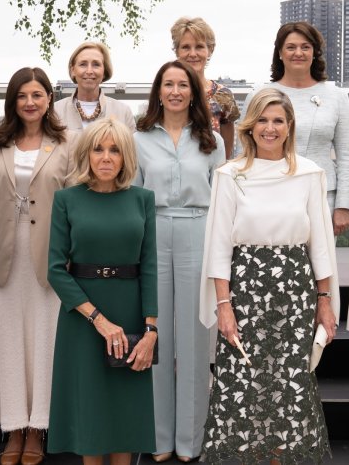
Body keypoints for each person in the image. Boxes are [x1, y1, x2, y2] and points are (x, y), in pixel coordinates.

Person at [198, 88, 339, 465]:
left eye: (278, 120)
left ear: (290, 126)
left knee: (289, 386)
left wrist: (324, 302)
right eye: (262, 119)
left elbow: (320, 245)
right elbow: (218, 248)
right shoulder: (229, 175)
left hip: (295, 291)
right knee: (243, 386)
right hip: (244, 291)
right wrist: (223, 306)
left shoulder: (310, 173)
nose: (270, 128)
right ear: (250, 125)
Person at [0, 67, 72, 465]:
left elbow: (75, 204)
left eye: (38, 95)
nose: (30, 102)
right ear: (13, 101)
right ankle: (11, 429)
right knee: (8, 343)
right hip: (2, 255)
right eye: (23, 95)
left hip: (51, 258)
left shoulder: (67, 142)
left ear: (49, 99)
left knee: (43, 342)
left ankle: (37, 430)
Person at [47, 118, 159, 464]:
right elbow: (55, 270)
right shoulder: (67, 200)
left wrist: (150, 330)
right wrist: (98, 320)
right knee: (90, 417)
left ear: (126, 157)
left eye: (114, 150)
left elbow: (150, 267)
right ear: (87, 154)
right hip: (83, 320)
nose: (106, 157)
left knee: (124, 416)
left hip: (130, 316)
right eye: (98, 149)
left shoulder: (143, 199)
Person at [133, 61, 226, 463]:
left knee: (192, 339)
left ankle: (190, 440)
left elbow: (223, 200)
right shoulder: (137, 136)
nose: (175, 91)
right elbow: (132, 194)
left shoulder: (212, 140)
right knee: (155, 336)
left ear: (194, 92)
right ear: (158, 91)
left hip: (197, 231)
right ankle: (158, 438)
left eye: (182, 85)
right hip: (151, 231)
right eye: (168, 84)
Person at [262, 21, 349, 236]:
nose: (298, 53)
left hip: (322, 195)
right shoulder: (262, 94)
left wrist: (343, 206)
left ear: (315, 52)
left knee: (321, 264)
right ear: (279, 53)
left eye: (305, 47)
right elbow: (246, 151)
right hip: (270, 191)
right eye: (291, 47)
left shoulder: (337, 96)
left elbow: (347, 156)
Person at [171, 17, 241, 158]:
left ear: (210, 50)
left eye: (199, 47)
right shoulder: (168, 93)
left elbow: (226, 155)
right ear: (177, 51)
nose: (192, 54)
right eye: (185, 47)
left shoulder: (223, 95)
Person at [54, 41, 135, 131]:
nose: (89, 71)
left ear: (104, 71)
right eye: (83, 64)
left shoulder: (123, 112)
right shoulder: (55, 112)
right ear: (73, 70)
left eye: (96, 64)